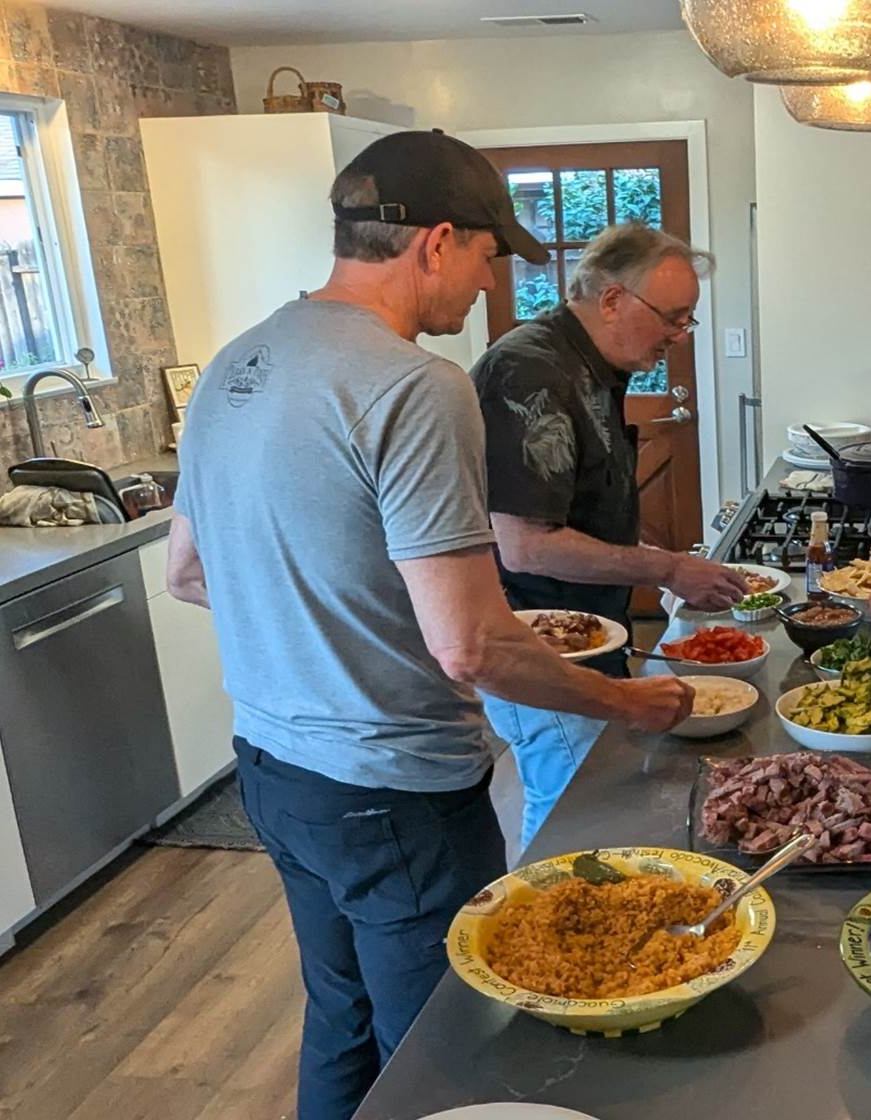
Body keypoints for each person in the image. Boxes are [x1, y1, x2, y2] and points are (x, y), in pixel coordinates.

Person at [166, 131, 693, 1120]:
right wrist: (623, 699)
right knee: (450, 1057)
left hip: (274, 775)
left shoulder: (236, 363)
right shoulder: (415, 384)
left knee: (342, 1022)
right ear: (438, 241)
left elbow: (189, 571)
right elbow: (472, 644)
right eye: (491, 255)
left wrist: (321, 634)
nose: (490, 283)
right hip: (396, 794)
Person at [469, 223, 746, 849]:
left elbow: (582, 516)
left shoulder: (589, 365)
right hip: (537, 641)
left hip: (585, 633)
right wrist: (668, 570)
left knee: (594, 795)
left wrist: (657, 561)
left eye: (687, 321)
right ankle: (548, 936)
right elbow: (526, 545)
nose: (679, 336)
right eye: (672, 318)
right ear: (613, 299)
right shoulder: (527, 371)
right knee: (575, 808)